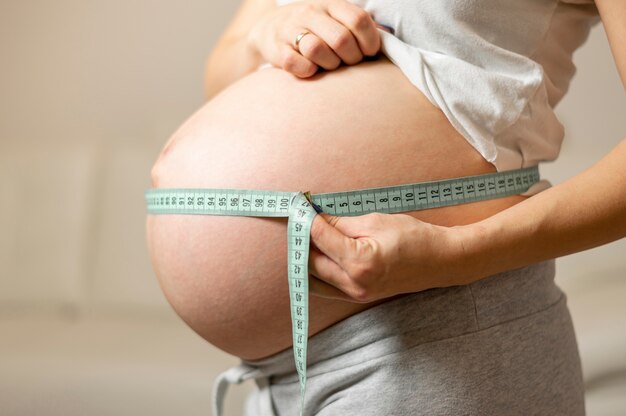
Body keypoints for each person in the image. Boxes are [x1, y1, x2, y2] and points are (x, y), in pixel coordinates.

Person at [146, 0, 625, 414]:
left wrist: (458, 255)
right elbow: (224, 68)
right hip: (278, 375)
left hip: (439, 339)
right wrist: (264, 36)